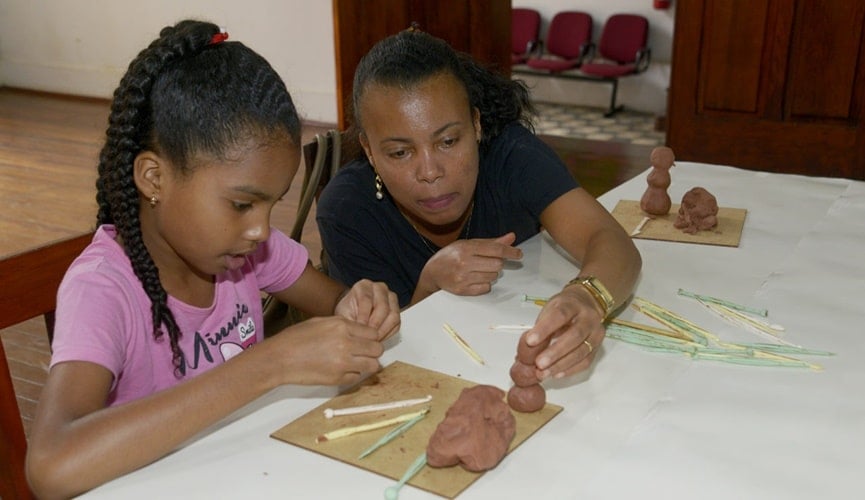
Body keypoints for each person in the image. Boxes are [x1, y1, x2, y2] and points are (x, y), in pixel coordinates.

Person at [25, 20, 400, 499]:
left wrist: (360, 303)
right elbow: (51, 465)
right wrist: (267, 366)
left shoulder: (244, 249)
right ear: (154, 178)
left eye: (272, 203)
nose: (261, 229)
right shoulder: (102, 289)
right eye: (242, 204)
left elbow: (334, 301)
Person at [317, 28, 641, 381]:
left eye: (448, 141)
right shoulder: (347, 209)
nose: (430, 172)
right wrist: (429, 285)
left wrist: (587, 297)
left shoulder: (511, 156)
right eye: (399, 152)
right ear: (368, 150)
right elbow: (372, 354)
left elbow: (608, 239)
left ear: (476, 124)